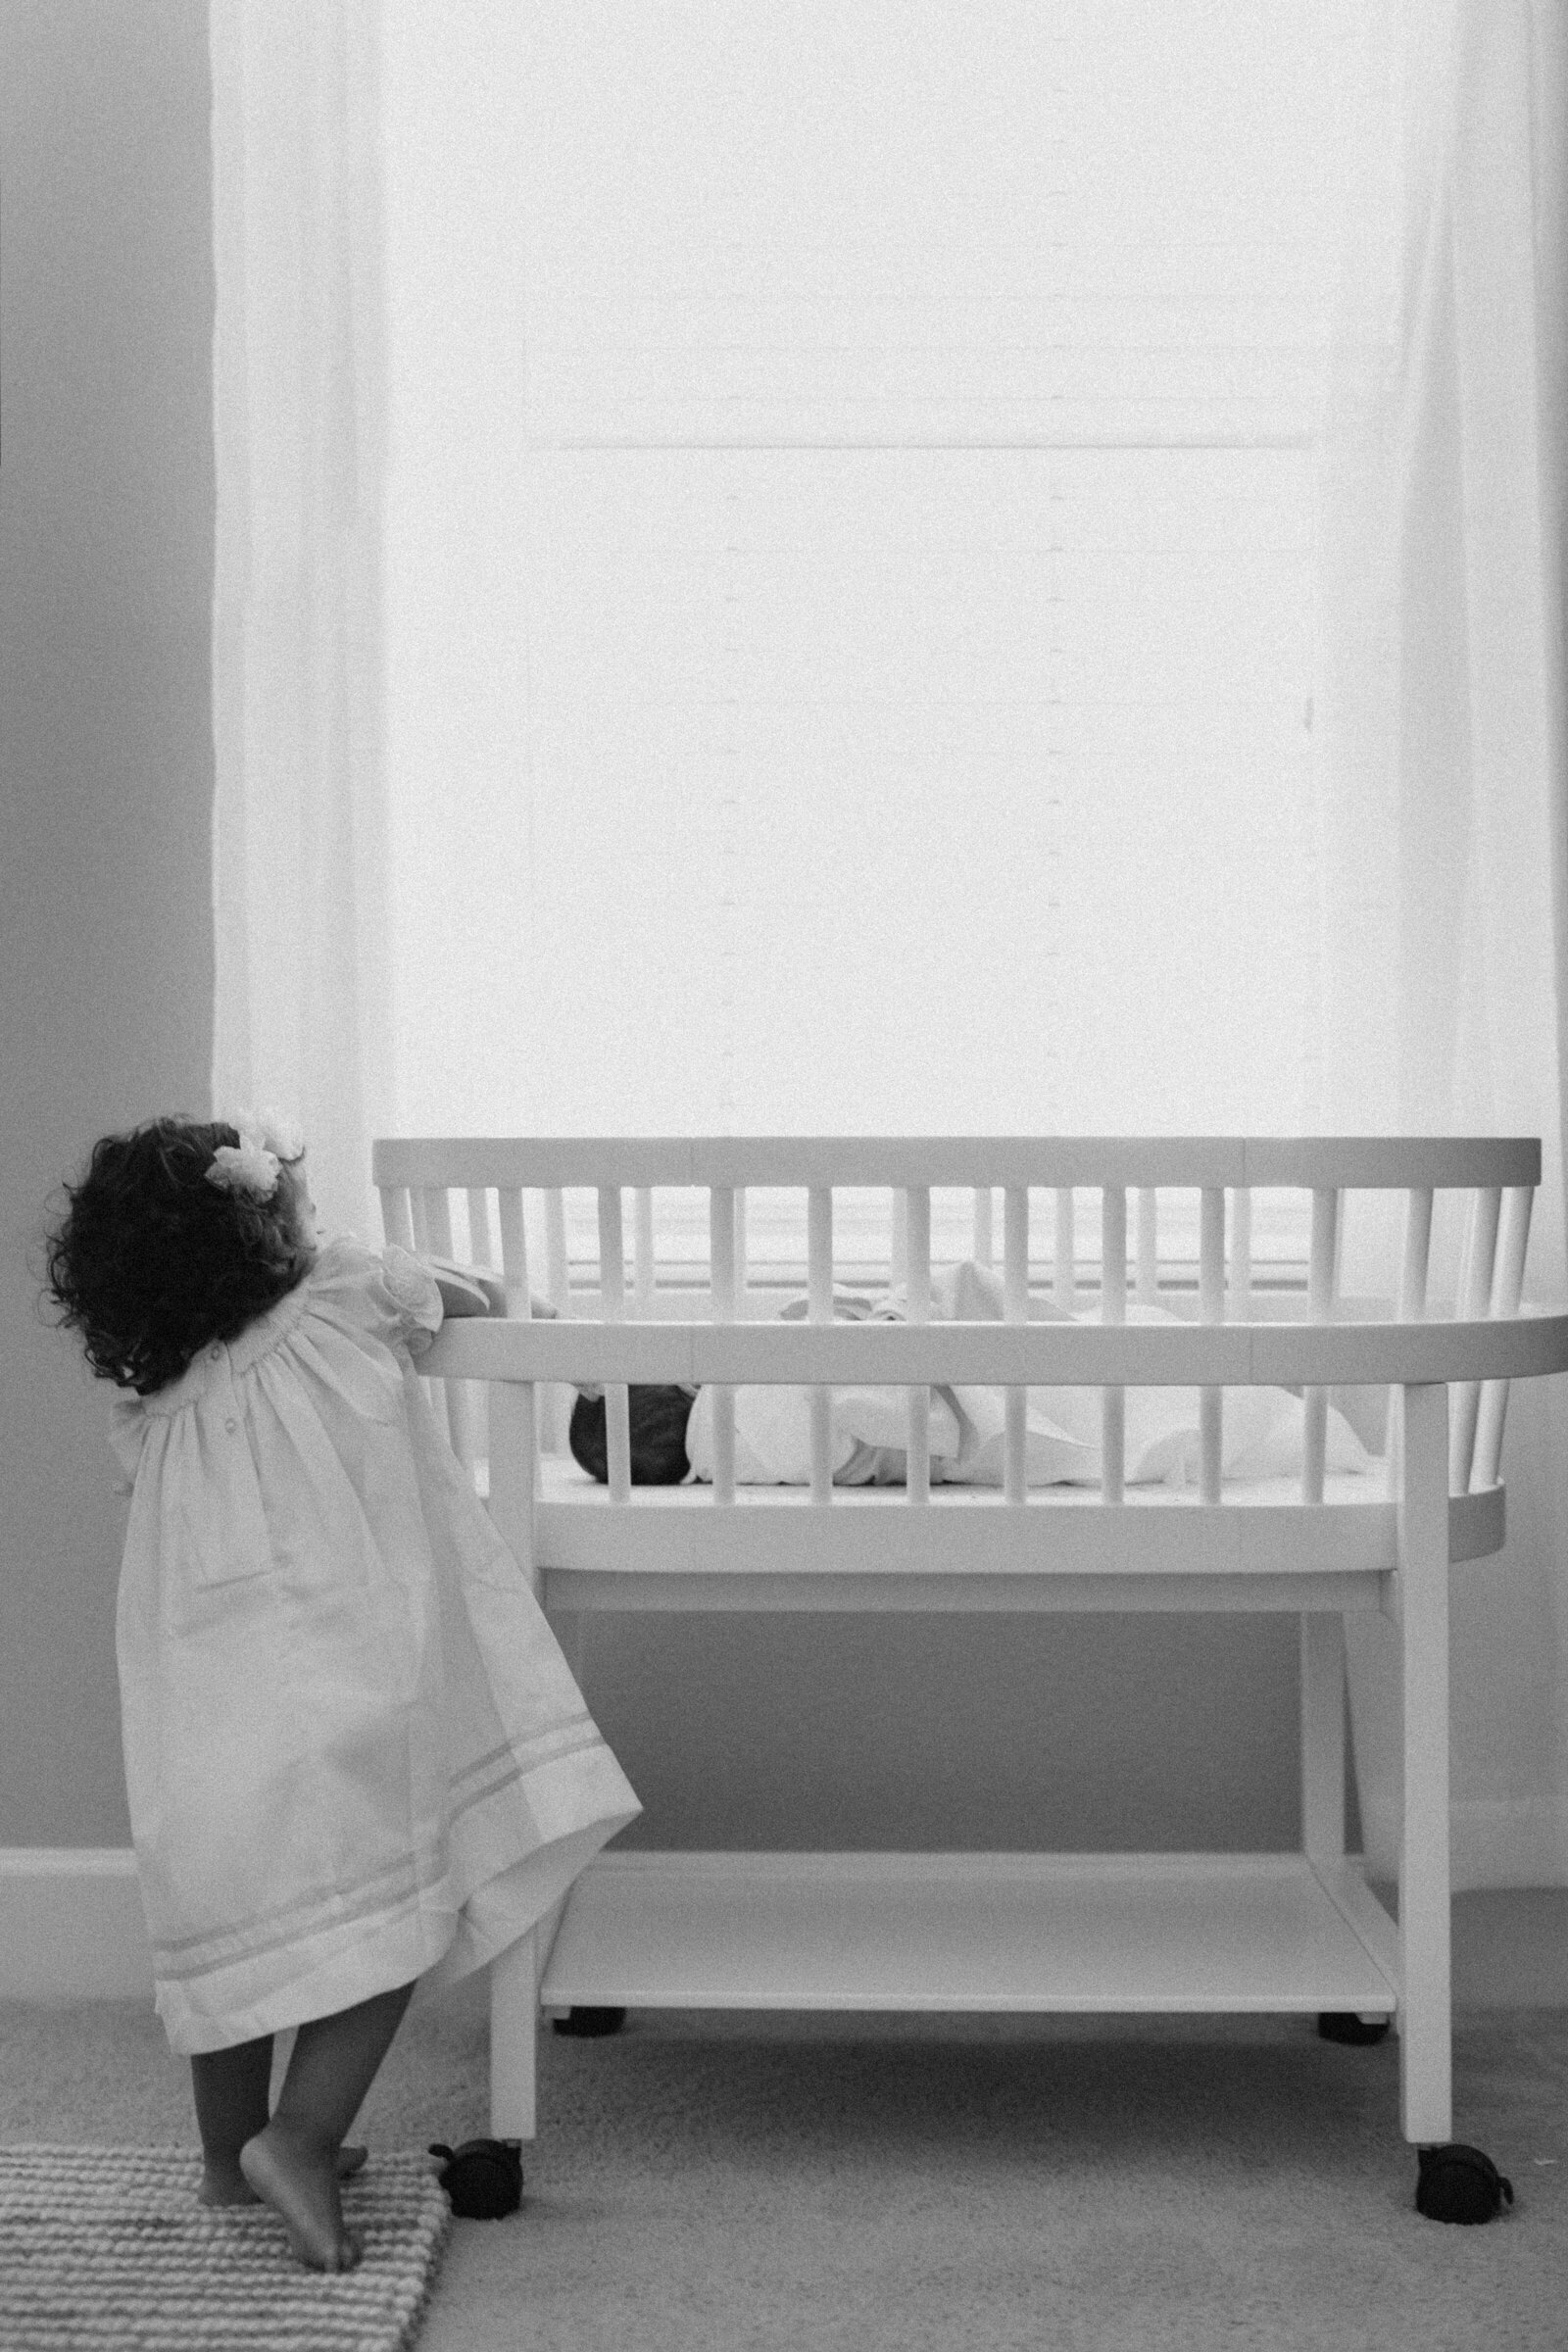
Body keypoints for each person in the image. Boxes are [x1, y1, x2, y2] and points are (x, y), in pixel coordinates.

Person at [43, 1111, 640, 2272]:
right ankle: (301, 2140)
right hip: (340, 1689)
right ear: (271, 1224)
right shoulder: (345, 1295)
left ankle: (228, 2161)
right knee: (394, 1912)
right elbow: (475, 1298)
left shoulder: (157, 1406)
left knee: (239, 1935)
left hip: (201, 1722)